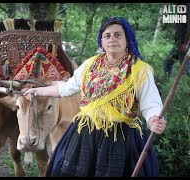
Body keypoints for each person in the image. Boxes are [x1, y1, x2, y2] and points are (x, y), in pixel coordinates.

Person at [23, 17, 167, 177]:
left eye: (118, 35)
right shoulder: (90, 65)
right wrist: (37, 91)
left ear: (127, 39)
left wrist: (153, 119)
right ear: (102, 41)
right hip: (85, 133)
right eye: (107, 36)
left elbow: (150, 103)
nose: (112, 39)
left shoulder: (140, 70)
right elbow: (66, 89)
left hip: (120, 137)